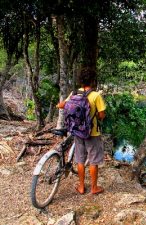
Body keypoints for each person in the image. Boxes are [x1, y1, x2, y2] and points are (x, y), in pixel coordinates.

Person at [57, 67, 106, 195]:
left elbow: (61, 106)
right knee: (93, 160)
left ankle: (81, 187)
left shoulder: (74, 93)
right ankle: (94, 188)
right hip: (92, 133)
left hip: (77, 131)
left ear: (81, 80)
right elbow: (101, 115)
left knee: (80, 159)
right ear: (92, 81)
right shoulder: (96, 96)